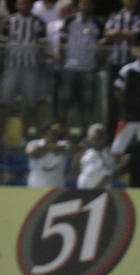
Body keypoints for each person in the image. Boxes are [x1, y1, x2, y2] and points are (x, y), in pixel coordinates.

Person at [0, 0, 47, 144]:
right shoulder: (9, 21)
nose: (24, 6)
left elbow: (42, 45)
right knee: (4, 102)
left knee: (30, 104)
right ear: (17, 5)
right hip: (11, 66)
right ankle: (2, 135)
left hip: (30, 67)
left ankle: (24, 135)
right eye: (21, 3)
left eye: (27, 3)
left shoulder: (38, 22)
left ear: (32, 6)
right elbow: (2, 43)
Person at [57, 0, 104, 137]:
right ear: (78, 6)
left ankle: (85, 135)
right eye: (83, 3)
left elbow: (103, 46)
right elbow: (62, 40)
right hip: (70, 67)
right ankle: (62, 133)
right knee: (64, 102)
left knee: (86, 103)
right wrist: (62, 58)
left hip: (88, 69)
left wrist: (99, 63)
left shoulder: (97, 24)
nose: (86, 6)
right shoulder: (69, 21)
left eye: (89, 3)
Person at [105, 0, 140, 141]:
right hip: (115, 64)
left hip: (133, 66)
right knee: (113, 103)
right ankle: (110, 139)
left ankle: (132, 139)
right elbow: (109, 34)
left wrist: (119, 34)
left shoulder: (139, 17)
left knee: (132, 101)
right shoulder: (114, 16)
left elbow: (139, 34)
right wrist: (129, 34)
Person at [25, 122, 72, 188]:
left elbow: (75, 151)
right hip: (35, 186)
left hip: (57, 187)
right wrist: (51, 146)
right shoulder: (34, 143)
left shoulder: (63, 144)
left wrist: (64, 133)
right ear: (42, 135)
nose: (51, 137)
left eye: (54, 134)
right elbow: (30, 152)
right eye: (48, 135)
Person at [77, 123, 114, 189]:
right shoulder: (87, 153)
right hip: (83, 192)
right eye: (94, 138)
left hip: (98, 193)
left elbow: (107, 176)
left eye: (99, 138)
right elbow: (74, 169)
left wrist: (93, 191)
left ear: (104, 138)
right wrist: (79, 152)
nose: (97, 141)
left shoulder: (108, 155)